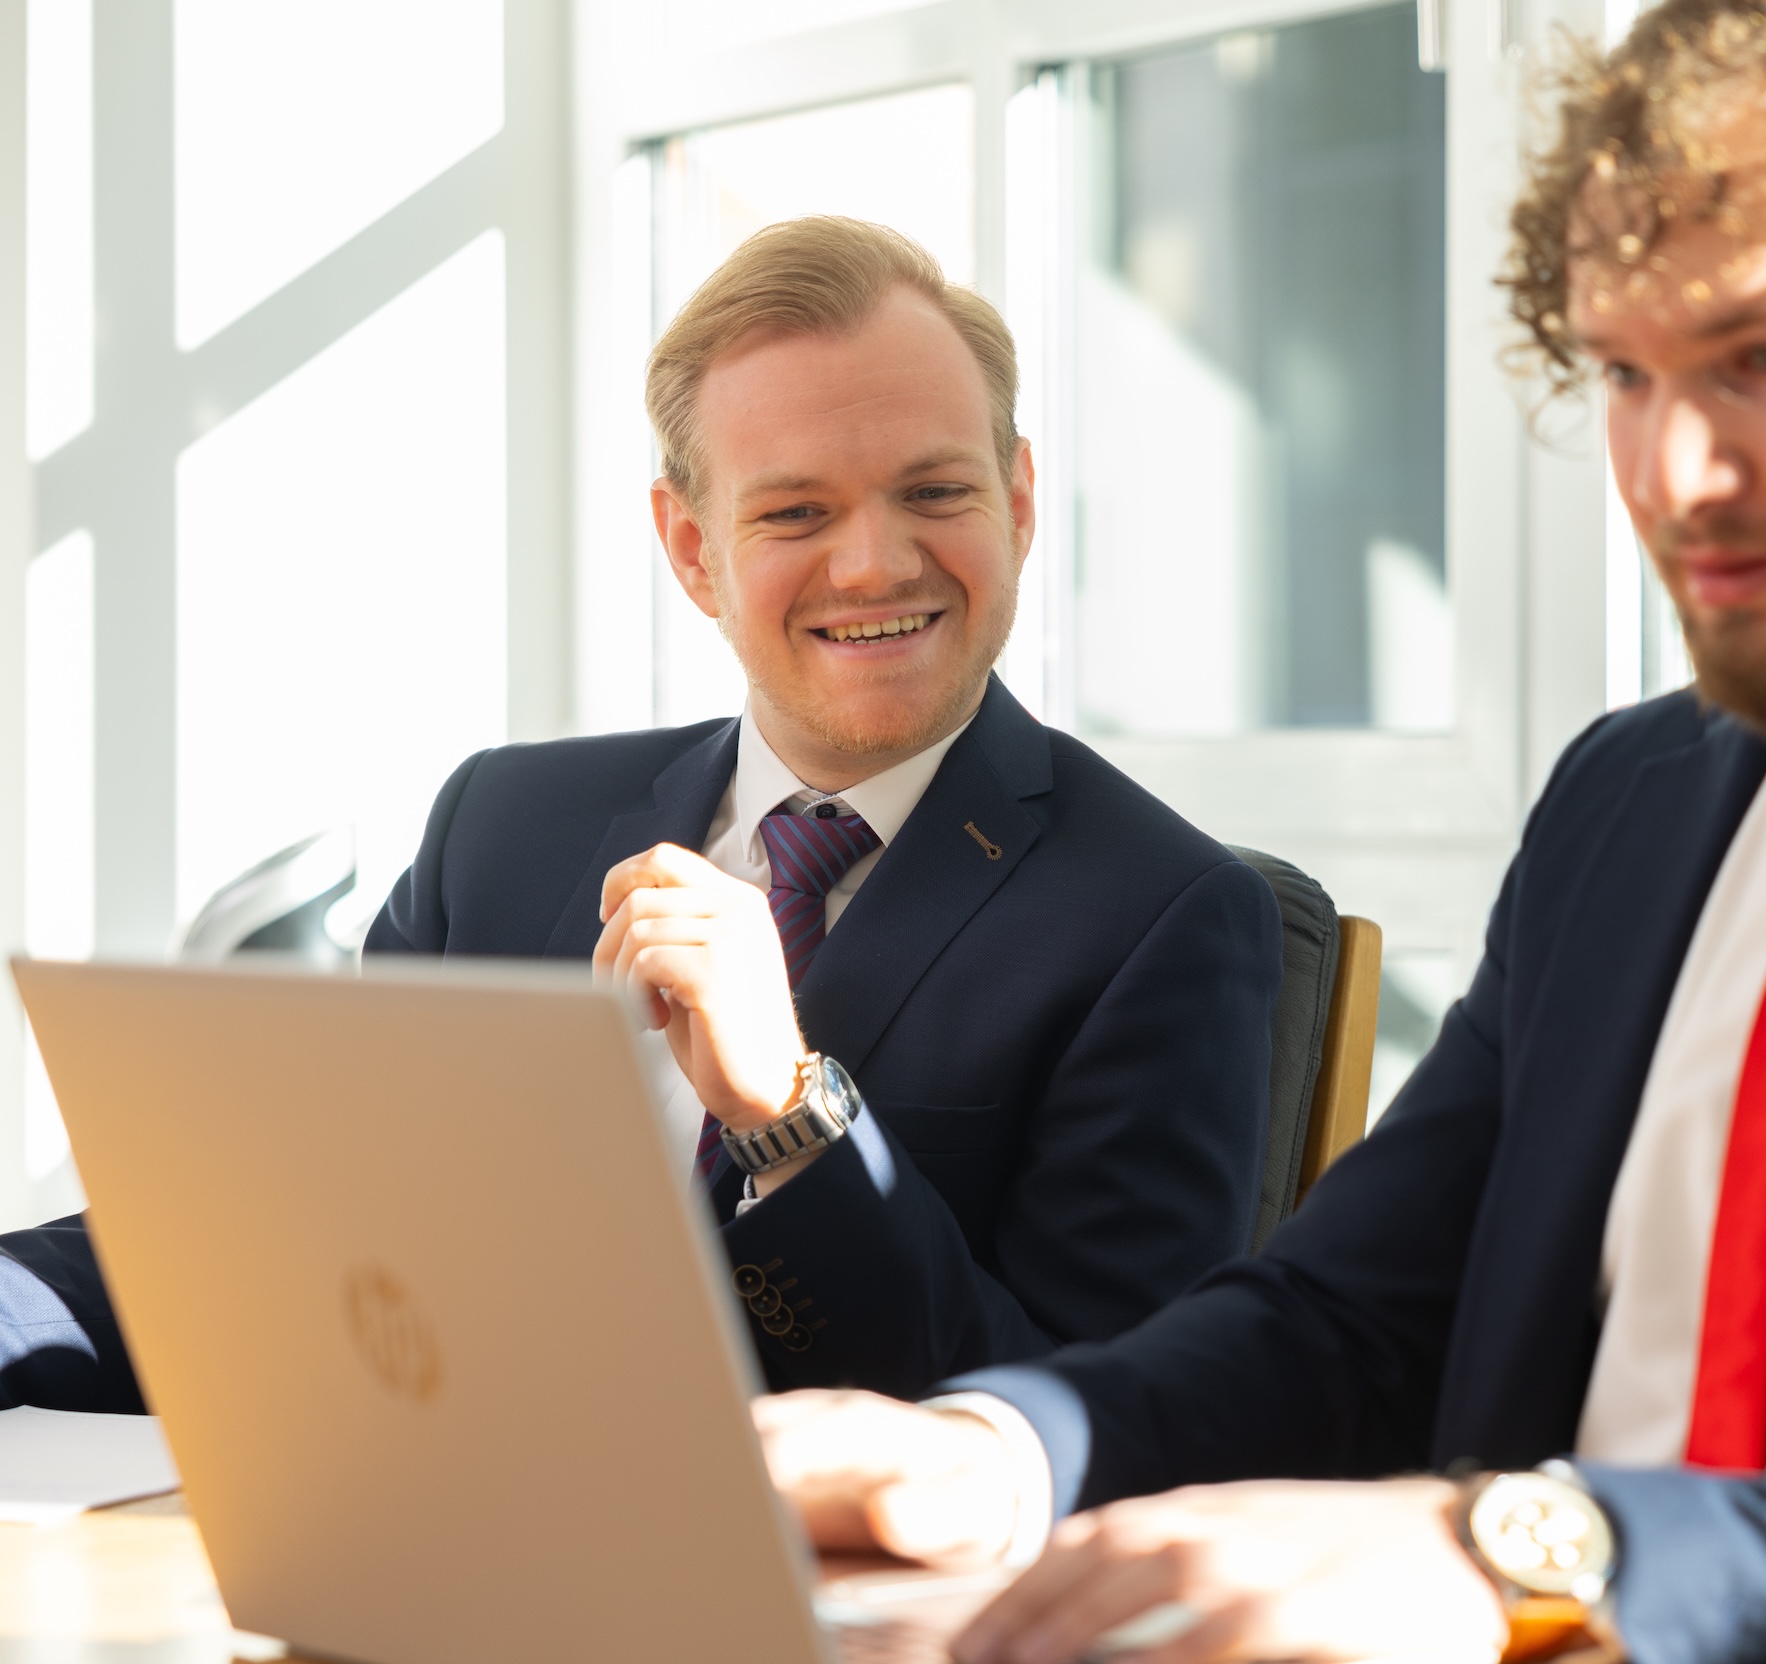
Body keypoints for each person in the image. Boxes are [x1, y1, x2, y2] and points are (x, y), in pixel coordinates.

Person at [748, 4, 1766, 1659]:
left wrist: (1529, 1549)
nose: (1672, 470)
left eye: (1763, 357)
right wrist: (993, 1450)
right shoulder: (1635, 805)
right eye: (1623, 371)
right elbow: (1349, 1315)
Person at [0, 218, 1281, 1409]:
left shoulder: (1162, 918)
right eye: (793, 511)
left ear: (1016, 502)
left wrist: (785, 1109)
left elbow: (1093, 1425)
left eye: (934, 492)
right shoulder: (502, 825)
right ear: (689, 548)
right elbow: (276, 1225)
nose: (875, 562)